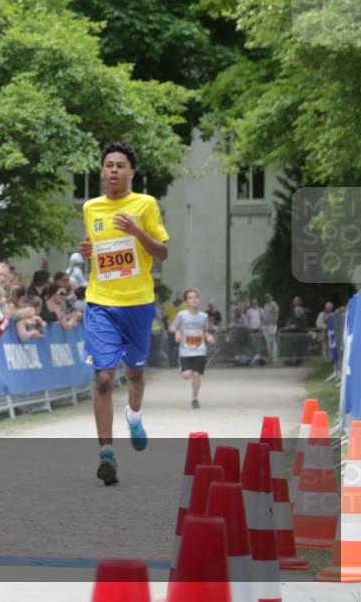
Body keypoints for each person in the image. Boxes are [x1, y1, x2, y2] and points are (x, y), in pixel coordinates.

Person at [78, 141, 169, 486]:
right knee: (103, 378)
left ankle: (134, 415)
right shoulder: (91, 207)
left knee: (134, 374)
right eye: (108, 165)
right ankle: (107, 454)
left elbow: (162, 253)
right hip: (101, 301)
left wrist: (136, 230)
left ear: (131, 172)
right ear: (102, 171)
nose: (114, 170)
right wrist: (87, 250)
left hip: (139, 303)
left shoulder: (145, 205)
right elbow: (97, 249)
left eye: (120, 165)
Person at [169, 289, 215, 409]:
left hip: (200, 349)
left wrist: (208, 336)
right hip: (185, 350)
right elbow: (171, 327)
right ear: (186, 301)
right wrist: (177, 332)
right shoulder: (182, 315)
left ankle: (195, 398)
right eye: (190, 298)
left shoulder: (204, 316)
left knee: (196, 375)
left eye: (195, 297)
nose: (193, 299)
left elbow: (204, 331)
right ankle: (182, 366)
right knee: (186, 375)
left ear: (198, 299)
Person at [261, 293, 279, 363]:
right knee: (267, 341)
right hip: (266, 325)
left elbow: (277, 313)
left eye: (268, 297)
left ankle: (274, 357)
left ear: (271, 297)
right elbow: (265, 314)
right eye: (266, 297)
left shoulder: (274, 304)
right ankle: (270, 357)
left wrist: (274, 322)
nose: (267, 299)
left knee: (272, 341)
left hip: (272, 325)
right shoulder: (265, 305)